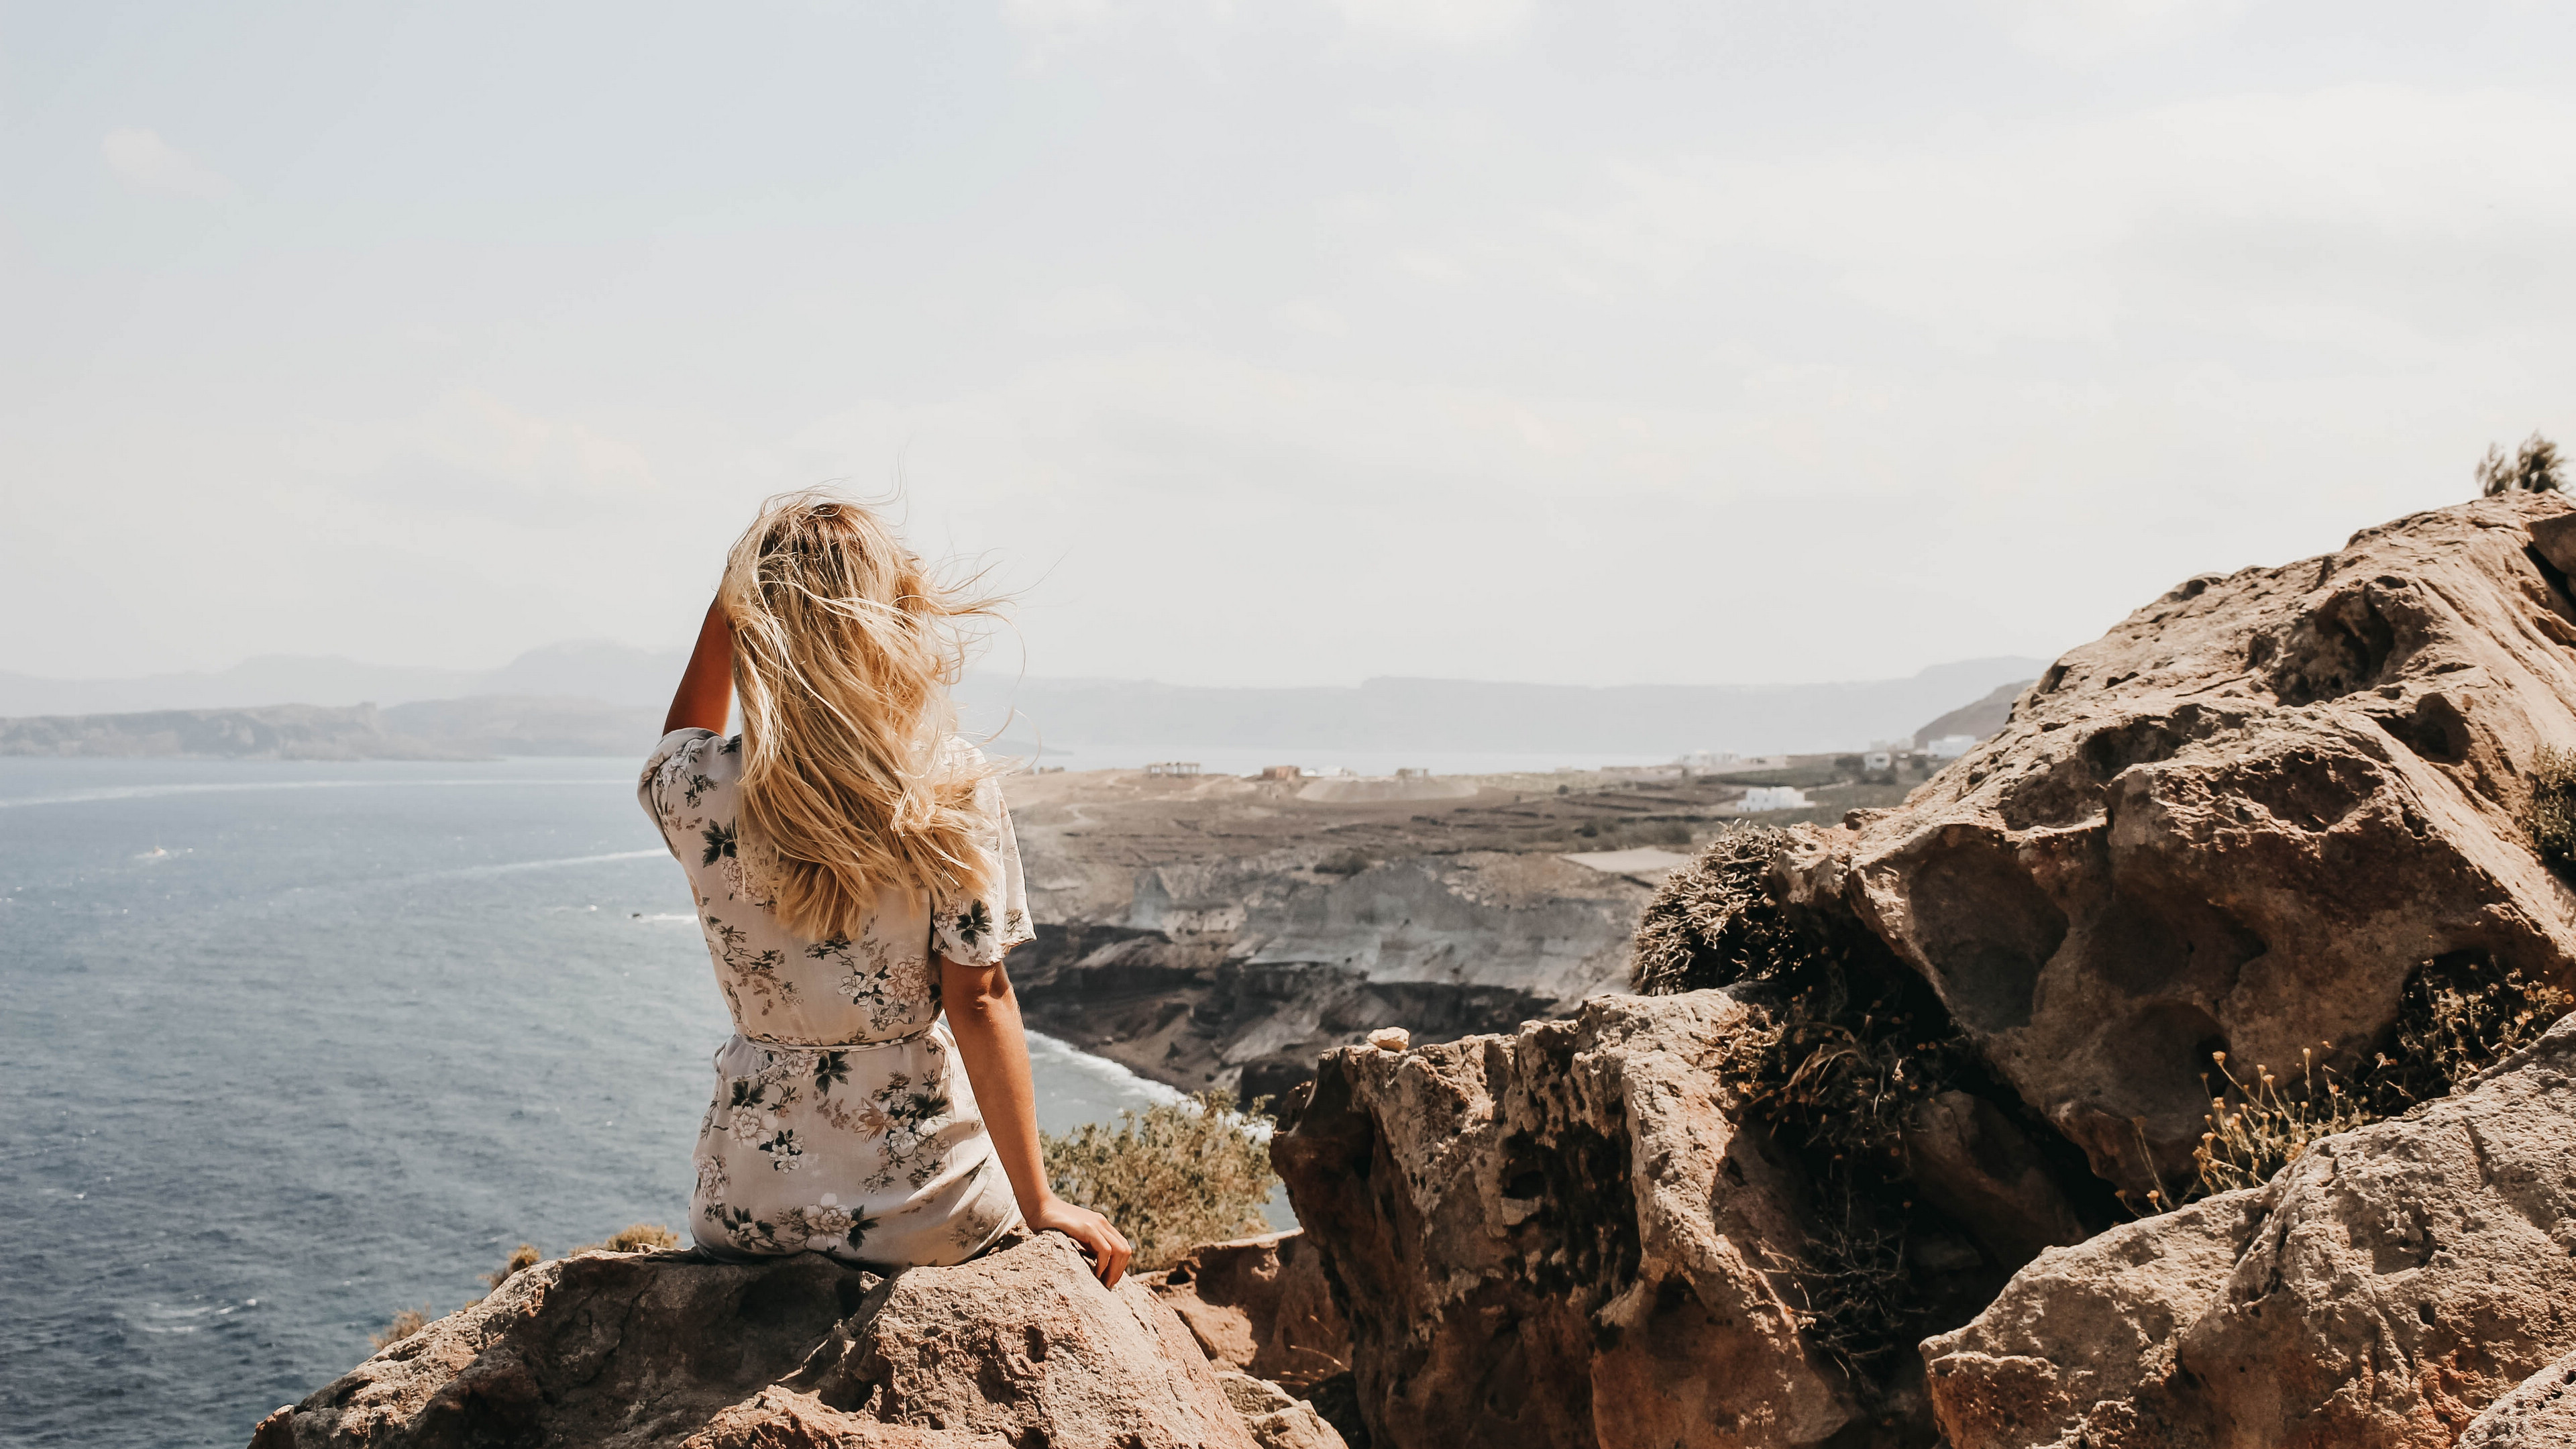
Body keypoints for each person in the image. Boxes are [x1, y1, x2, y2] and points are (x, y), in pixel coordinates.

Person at [637, 491, 1132, 1285]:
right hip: (926, 1213)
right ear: (887, 622)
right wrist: (1040, 1203)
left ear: (753, 628)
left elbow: (673, 742)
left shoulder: (698, 790)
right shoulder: (948, 790)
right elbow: (979, 1000)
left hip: (746, 1212)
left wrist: (727, 607)